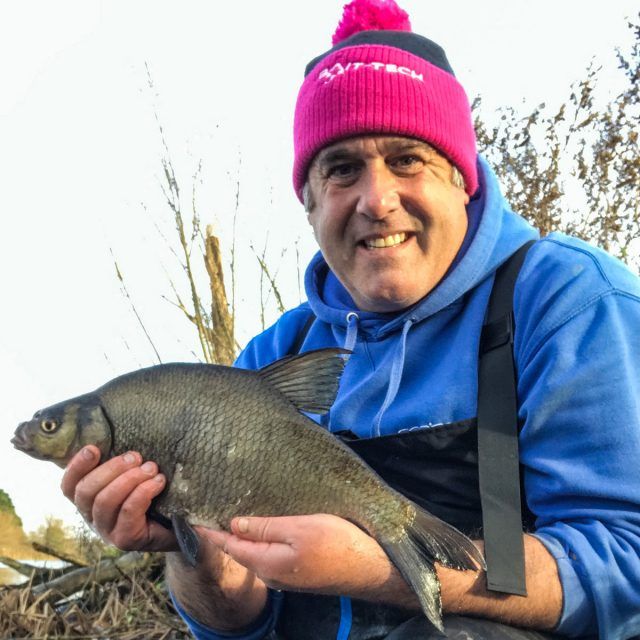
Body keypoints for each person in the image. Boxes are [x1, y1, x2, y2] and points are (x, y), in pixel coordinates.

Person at [60, 0, 640, 638]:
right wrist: (184, 542)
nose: (377, 199)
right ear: (308, 201)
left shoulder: (570, 301)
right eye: (341, 169)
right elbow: (233, 626)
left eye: (407, 159)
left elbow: (626, 564)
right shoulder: (272, 355)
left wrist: (378, 568)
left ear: (463, 179)